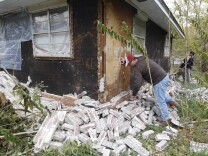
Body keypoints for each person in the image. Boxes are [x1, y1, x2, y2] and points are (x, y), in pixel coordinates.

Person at [125, 54, 177, 124]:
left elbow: (137, 83)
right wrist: (124, 60)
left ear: (132, 60)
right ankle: (171, 101)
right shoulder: (141, 58)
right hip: (164, 77)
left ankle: (165, 119)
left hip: (159, 81)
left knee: (159, 100)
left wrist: (134, 94)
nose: (129, 65)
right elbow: (137, 55)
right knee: (160, 95)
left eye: (129, 63)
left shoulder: (138, 67)